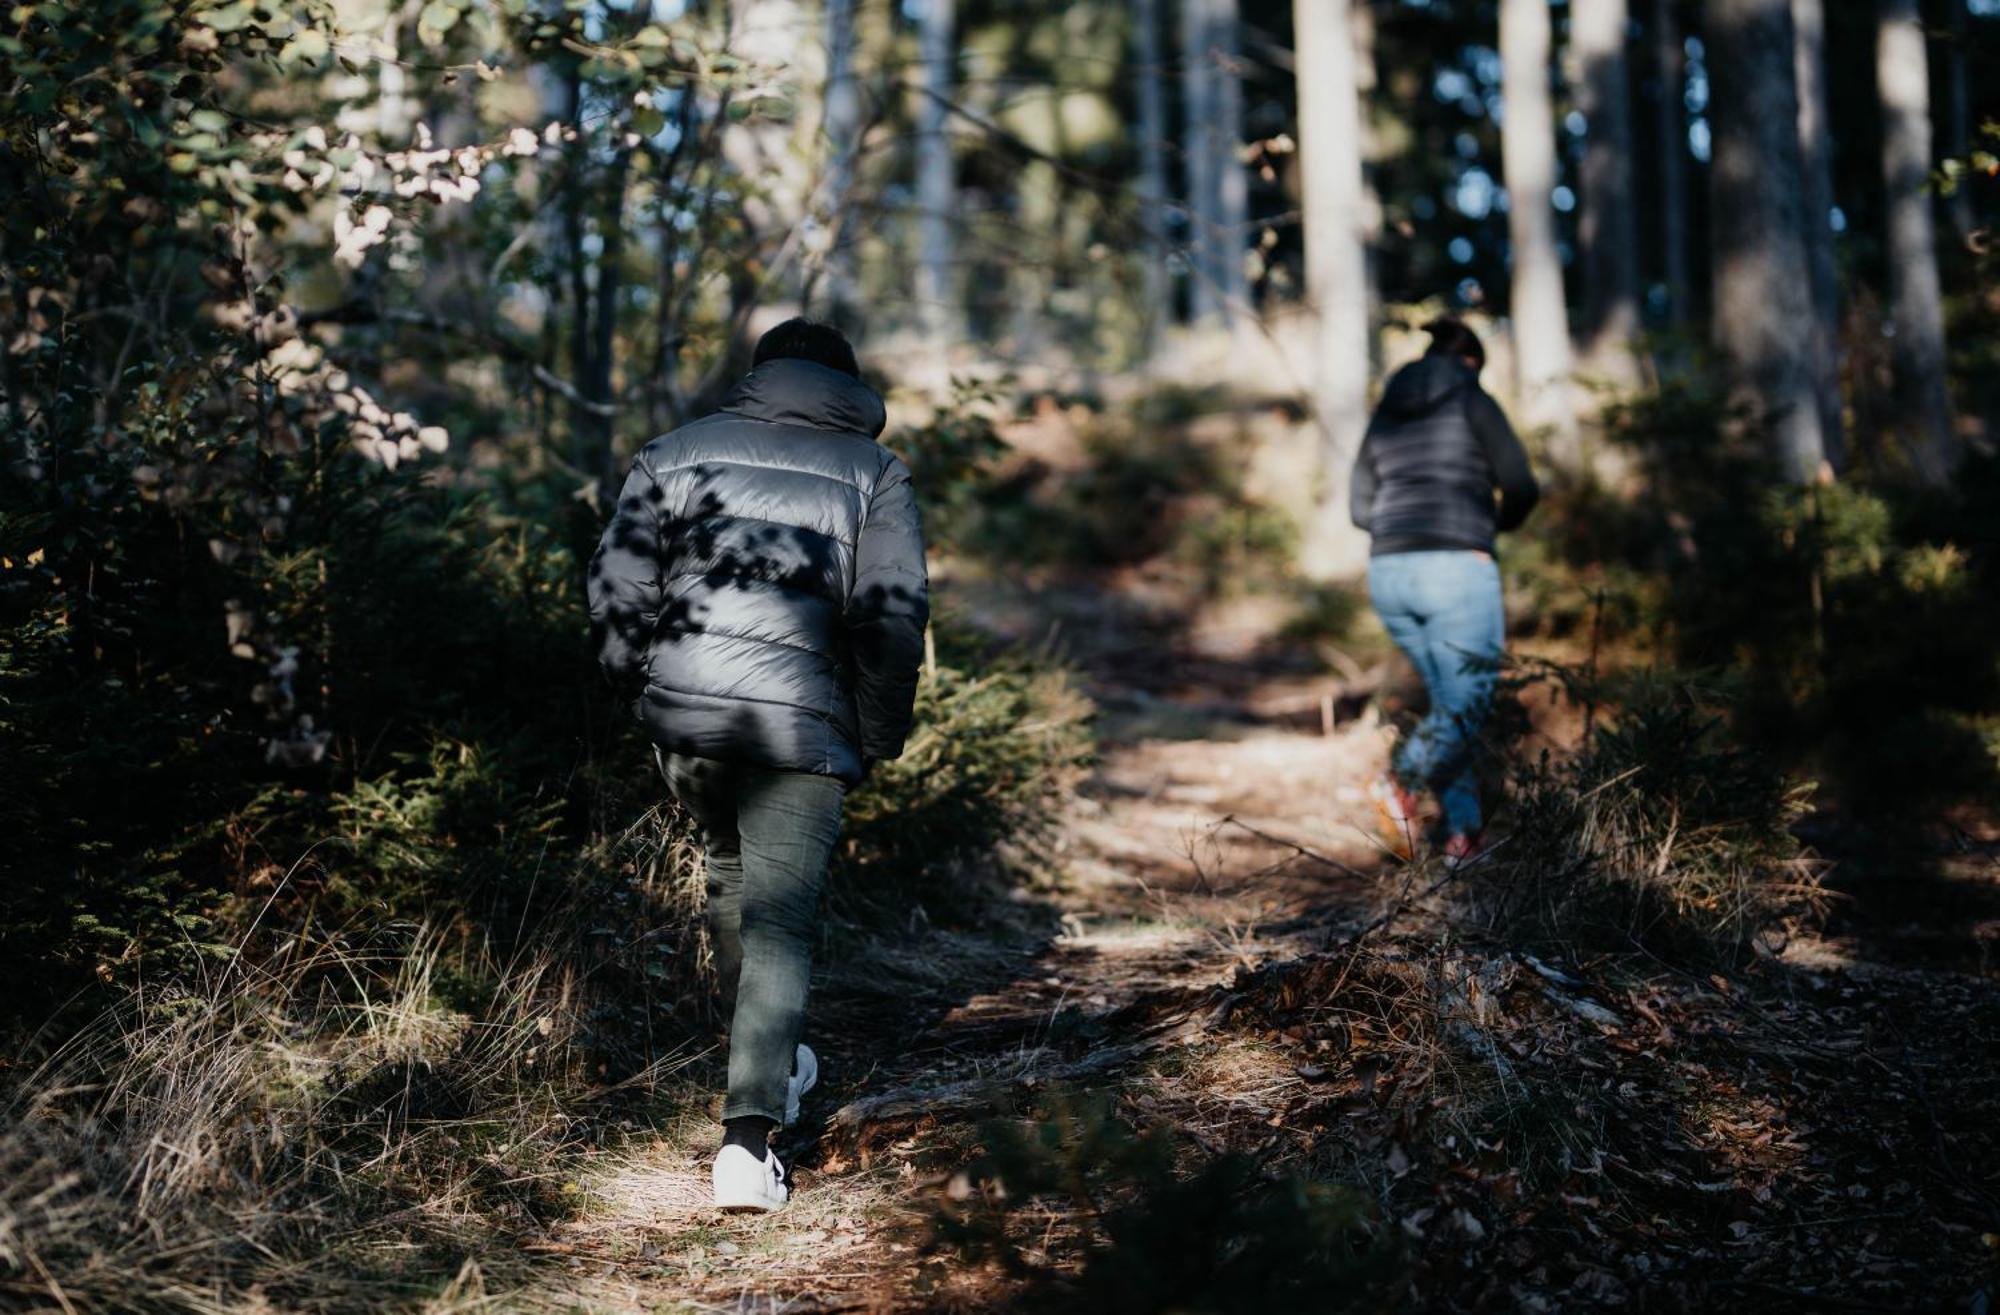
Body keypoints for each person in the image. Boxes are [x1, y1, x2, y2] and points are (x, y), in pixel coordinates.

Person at [587, 318, 929, 1212]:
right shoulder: (875, 473)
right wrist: (879, 731)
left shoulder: (676, 450)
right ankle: (746, 1142)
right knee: (779, 922)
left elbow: (618, 585)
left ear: (760, 374)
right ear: (845, 385)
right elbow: (892, 617)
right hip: (803, 728)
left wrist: (644, 688)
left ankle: (771, 1062)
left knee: (732, 876)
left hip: (688, 722)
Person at [1350, 317, 1539, 865]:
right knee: (1468, 701)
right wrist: (1488, 527)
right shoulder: (1472, 398)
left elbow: (1359, 506)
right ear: (1471, 362)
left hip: (1389, 571)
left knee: (1450, 707)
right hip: (1457, 567)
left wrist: (1400, 531)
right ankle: (1399, 779)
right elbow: (1522, 484)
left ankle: (1463, 836)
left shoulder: (1388, 408)